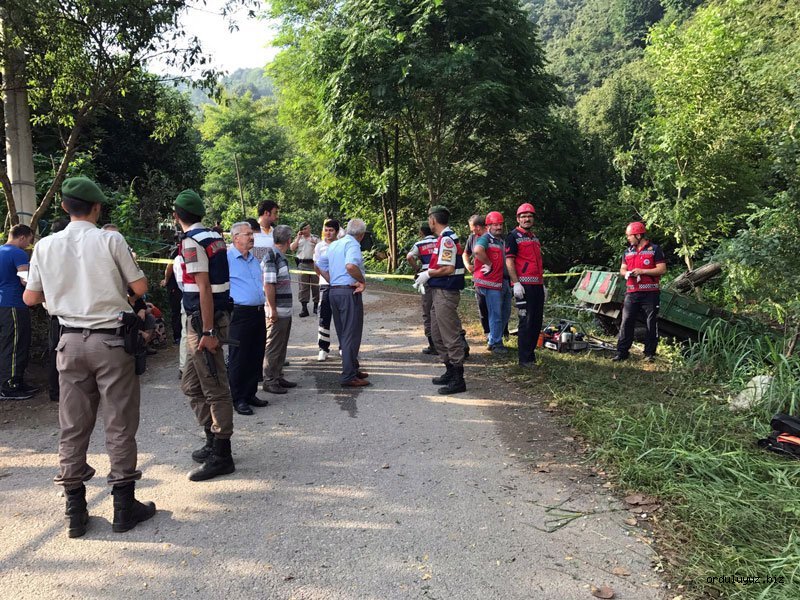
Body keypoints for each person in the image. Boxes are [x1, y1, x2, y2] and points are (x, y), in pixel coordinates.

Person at [23, 176, 156, 538]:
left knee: (73, 425)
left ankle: (75, 512)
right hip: (111, 343)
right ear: (97, 208)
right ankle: (123, 508)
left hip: (68, 343)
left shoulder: (45, 246)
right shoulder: (110, 239)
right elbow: (140, 288)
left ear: (64, 207)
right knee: (119, 423)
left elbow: (31, 300)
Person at [174, 189, 236, 481]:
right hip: (207, 319)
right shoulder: (214, 237)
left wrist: (208, 331)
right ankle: (213, 437)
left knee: (215, 386)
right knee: (191, 384)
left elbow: (204, 289)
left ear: (177, 216)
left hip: (203, 321)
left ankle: (222, 454)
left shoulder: (191, 242)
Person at [414, 206, 467, 394]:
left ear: (432, 220)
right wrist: (427, 274)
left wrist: (428, 273)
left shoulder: (446, 239)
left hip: (446, 291)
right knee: (437, 335)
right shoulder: (442, 239)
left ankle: (458, 378)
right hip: (438, 291)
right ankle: (449, 370)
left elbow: (448, 269)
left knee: (450, 335)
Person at [317, 219, 370, 387]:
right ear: (361, 235)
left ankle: (352, 367)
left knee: (343, 332)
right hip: (348, 292)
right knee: (351, 333)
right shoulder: (353, 244)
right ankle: (348, 375)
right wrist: (362, 281)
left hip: (334, 291)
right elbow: (350, 266)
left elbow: (318, 264)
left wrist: (332, 280)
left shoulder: (335, 245)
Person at [227, 222, 269, 413]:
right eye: (247, 234)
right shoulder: (227, 259)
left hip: (258, 312)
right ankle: (238, 398)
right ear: (236, 238)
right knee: (239, 357)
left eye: (252, 234)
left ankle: (250, 393)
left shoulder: (252, 258)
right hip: (240, 314)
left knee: (255, 354)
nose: (252, 237)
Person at [613, 221, 667, 362]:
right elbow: (622, 269)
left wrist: (642, 271)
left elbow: (662, 269)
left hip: (650, 293)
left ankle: (649, 354)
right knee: (626, 322)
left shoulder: (654, 249)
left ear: (638, 235)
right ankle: (622, 352)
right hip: (631, 293)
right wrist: (627, 273)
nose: (628, 238)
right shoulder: (628, 252)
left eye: (629, 235)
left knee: (651, 323)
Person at [506, 203, 545, 367]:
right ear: (518, 219)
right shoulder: (513, 236)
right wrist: (516, 283)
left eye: (529, 216)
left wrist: (542, 284)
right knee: (526, 321)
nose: (526, 219)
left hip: (537, 286)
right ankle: (524, 359)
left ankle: (531, 356)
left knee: (536, 322)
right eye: (523, 216)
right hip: (524, 286)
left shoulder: (534, 237)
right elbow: (509, 261)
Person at [261, 225, 299, 394]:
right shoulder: (271, 256)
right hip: (277, 311)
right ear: (289, 240)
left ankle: (278, 376)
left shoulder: (279, 256)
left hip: (284, 310)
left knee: (281, 345)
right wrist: (272, 309)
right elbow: (268, 284)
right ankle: (269, 380)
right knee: (273, 346)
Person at [1, 224, 36, 400]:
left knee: (6, 342)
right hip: (14, 303)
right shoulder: (18, 253)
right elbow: (26, 281)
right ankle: (10, 385)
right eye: (29, 240)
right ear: (22, 237)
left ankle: (14, 380)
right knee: (16, 344)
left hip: (2, 304)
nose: (28, 245)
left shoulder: (1, 251)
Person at [472, 211, 512, 354]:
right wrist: (488, 263)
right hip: (491, 283)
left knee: (505, 312)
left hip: (503, 281)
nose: (498, 227)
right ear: (488, 226)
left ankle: (494, 339)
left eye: (500, 224)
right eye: (495, 224)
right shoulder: (485, 239)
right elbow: (477, 251)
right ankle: (496, 343)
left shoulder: (501, 240)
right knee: (496, 313)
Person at [406, 222, 438, 355]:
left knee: (427, 309)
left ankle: (433, 344)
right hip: (441, 275)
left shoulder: (419, 244)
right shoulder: (440, 241)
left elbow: (409, 257)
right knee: (439, 309)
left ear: (421, 232)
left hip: (426, 277)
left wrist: (417, 268)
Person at [314, 218, 340, 361]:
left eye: (331, 230)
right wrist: (324, 278)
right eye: (326, 230)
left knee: (341, 316)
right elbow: (317, 266)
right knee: (324, 316)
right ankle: (323, 348)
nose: (328, 233)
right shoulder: (319, 246)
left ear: (336, 231)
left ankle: (343, 346)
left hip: (339, 284)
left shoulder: (341, 244)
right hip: (325, 285)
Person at [462, 214, 490, 336]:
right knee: (482, 307)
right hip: (479, 279)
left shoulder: (492, 236)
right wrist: (468, 265)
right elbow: (465, 253)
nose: (471, 230)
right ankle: (487, 332)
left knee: (497, 308)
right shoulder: (472, 238)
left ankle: (501, 333)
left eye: (471, 227)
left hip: (495, 278)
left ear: (478, 227)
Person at [290, 222, 320, 317]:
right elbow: (292, 248)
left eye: (307, 228)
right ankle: (304, 308)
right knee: (303, 287)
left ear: (309, 229)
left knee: (315, 286)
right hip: (302, 264)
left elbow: (322, 248)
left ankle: (316, 306)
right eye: (303, 229)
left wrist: (315, 243)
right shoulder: (298, 239)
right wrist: (298, 238)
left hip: (314, 265)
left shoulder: (315, 238)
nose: (305, 230)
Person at [160, 235, 184, 345]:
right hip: (175, 286)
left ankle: (182, 335)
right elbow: (169, 266)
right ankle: (177, 336)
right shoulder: (176, 251)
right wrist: (166, 280)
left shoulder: (184, 248)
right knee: (177, 311)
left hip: (183, 285)